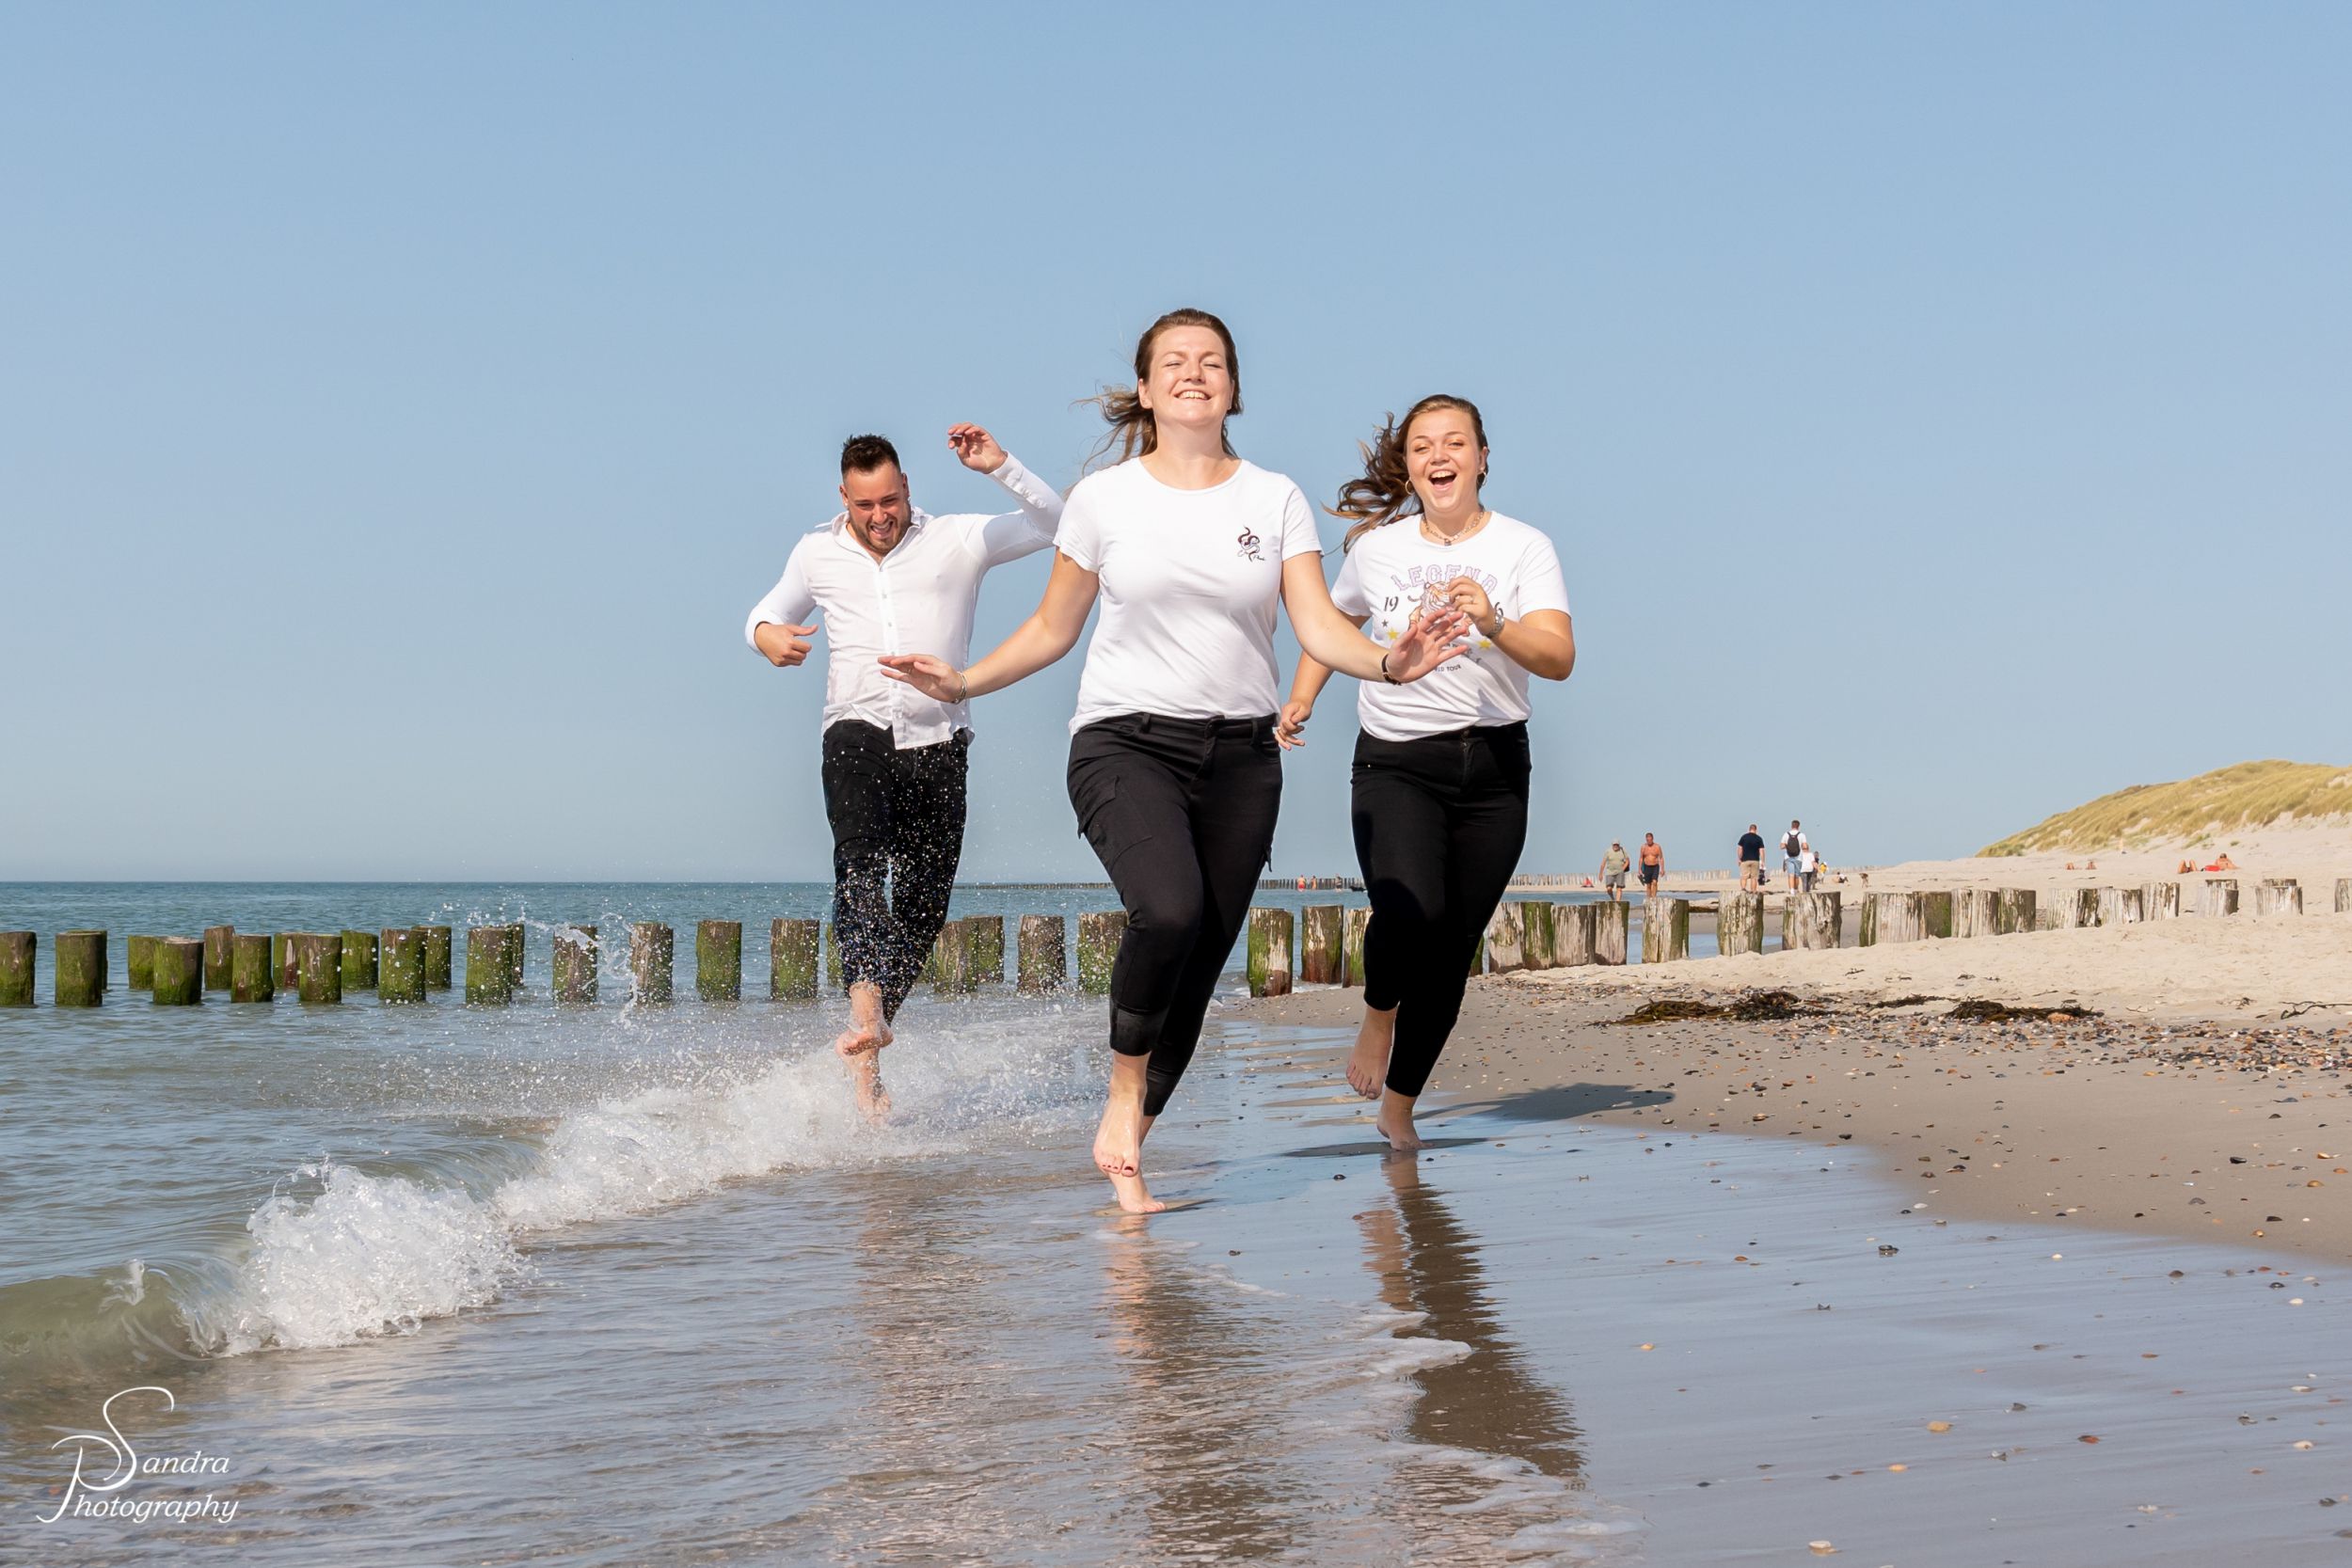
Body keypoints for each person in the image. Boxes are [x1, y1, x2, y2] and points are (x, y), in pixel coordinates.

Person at [880, 309, 1469, 1211]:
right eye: (1175, 363)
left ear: (1232, 385)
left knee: (1200, 966)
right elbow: (1051, 628)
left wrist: (1390, 661)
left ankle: (1129, 1157)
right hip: (1123, 742)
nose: (1195, 373)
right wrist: (961, 682)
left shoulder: (1272, 498)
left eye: (1212, 361)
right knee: (1170, 909)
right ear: (1148, 390)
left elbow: (1315, 624)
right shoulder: (1105, 500)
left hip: (1241, 755)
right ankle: (1122, 1093)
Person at [1275, 393, 1574, 1150]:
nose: (1439, 456)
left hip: (1496, 770)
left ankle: (1399, 1107)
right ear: (1409, 467)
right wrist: (1301, 698)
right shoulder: (1378, 549)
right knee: (1410, 916)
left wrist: (1497, 622)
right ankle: (1379, 1009)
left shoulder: (1524, 547)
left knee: (1450, 951)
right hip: (1397, 762)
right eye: (1422, 447)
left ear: (1481, 458)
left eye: (1454, 443)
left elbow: (1560, 657)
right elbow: (1330, 626)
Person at [744, 424, 1063, 1118]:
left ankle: (873, 1041)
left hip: (940, 739)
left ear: (907, 490)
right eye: (865, 505)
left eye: (889, 500)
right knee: (858, 868)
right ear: (844, 498)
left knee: (924, 904)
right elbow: (767, 614)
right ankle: (865, 1026)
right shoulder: (815, 552)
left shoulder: (957, 539)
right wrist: (768, 637)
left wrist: (1000, 466)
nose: (880, 516)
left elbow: (1057, 524)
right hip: (853, 734)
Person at [1780, 819, 1808, 893]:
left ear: (1791, 825)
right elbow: (1805, 846)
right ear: (1798, 826)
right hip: (1798, 857)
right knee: (1796, 876)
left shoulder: (1786, 834)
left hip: (1788, 857)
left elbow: (1781, 846)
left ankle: (1791, 890)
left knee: (1790, 875)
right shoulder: (1802, 835)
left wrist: (1787, 846)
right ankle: (1796, 889)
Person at [1737, 824, 1766, 891]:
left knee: (1744, 876)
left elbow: (1740, 848)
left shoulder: (1744, 837)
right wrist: (1763, 861)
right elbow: (1761, 851)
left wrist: (1739, 858)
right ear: (1756, 830)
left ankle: (1743, 889)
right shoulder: (1759, 838)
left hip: (1745, 860)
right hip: (1755, 860)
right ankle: (1753, 892)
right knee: (1754, 878)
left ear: (1749, 829)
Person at [1637, 832, 1664, 898]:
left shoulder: (1657, 847)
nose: (1649, 841)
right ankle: (1649, 898)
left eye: (1650, 839)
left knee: (1654, 882)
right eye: (1647, 840)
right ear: (1646, 839)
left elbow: (1661, 858)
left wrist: (1662, 869)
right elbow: (1641, 858)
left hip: (1655, 866)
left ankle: (1654, 898)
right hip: (1647, 866)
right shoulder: (1643, 847)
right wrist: (1639, 869)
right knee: (1648, 885)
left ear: (1652, 839)